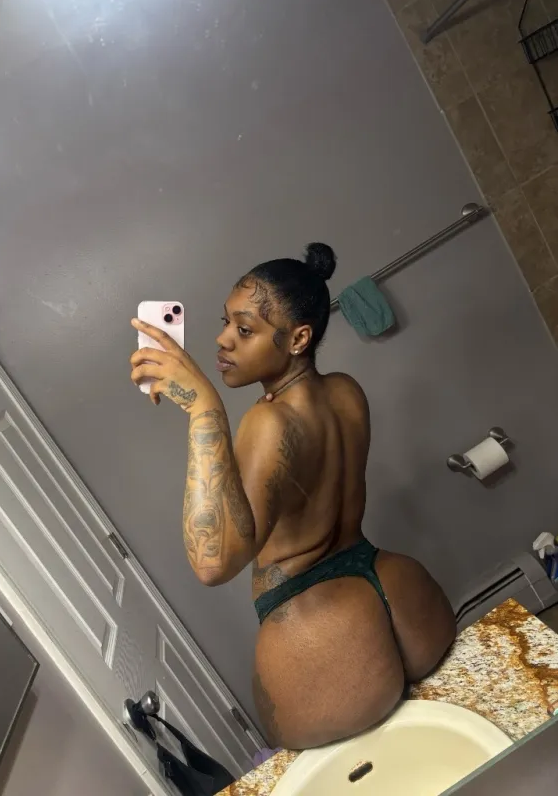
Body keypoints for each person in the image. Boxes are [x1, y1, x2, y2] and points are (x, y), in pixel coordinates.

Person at [130, 243, 456, 750]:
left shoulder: (269, 421)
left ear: (299, 338)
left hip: (321, 628)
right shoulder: (345, 390)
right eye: (225, 322)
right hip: (397, 584)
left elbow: (212, 562)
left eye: (245, 330)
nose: (222, 339)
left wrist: (203, 411)